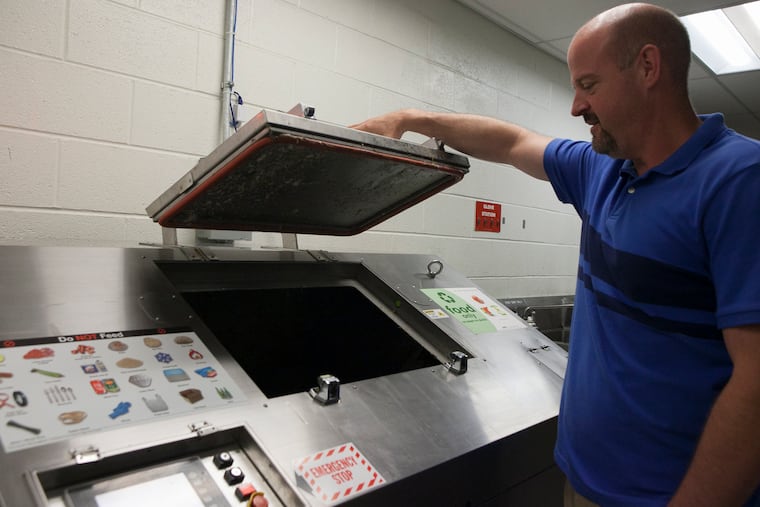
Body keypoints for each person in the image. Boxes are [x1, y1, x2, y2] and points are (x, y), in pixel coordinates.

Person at [352, 3, 760, 506]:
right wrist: (408, 118)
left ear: (648, 67)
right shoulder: (602, 171)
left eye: (588, 85)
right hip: (582, 478)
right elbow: (511, 141)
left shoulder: (740, 181)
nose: (575, 106)